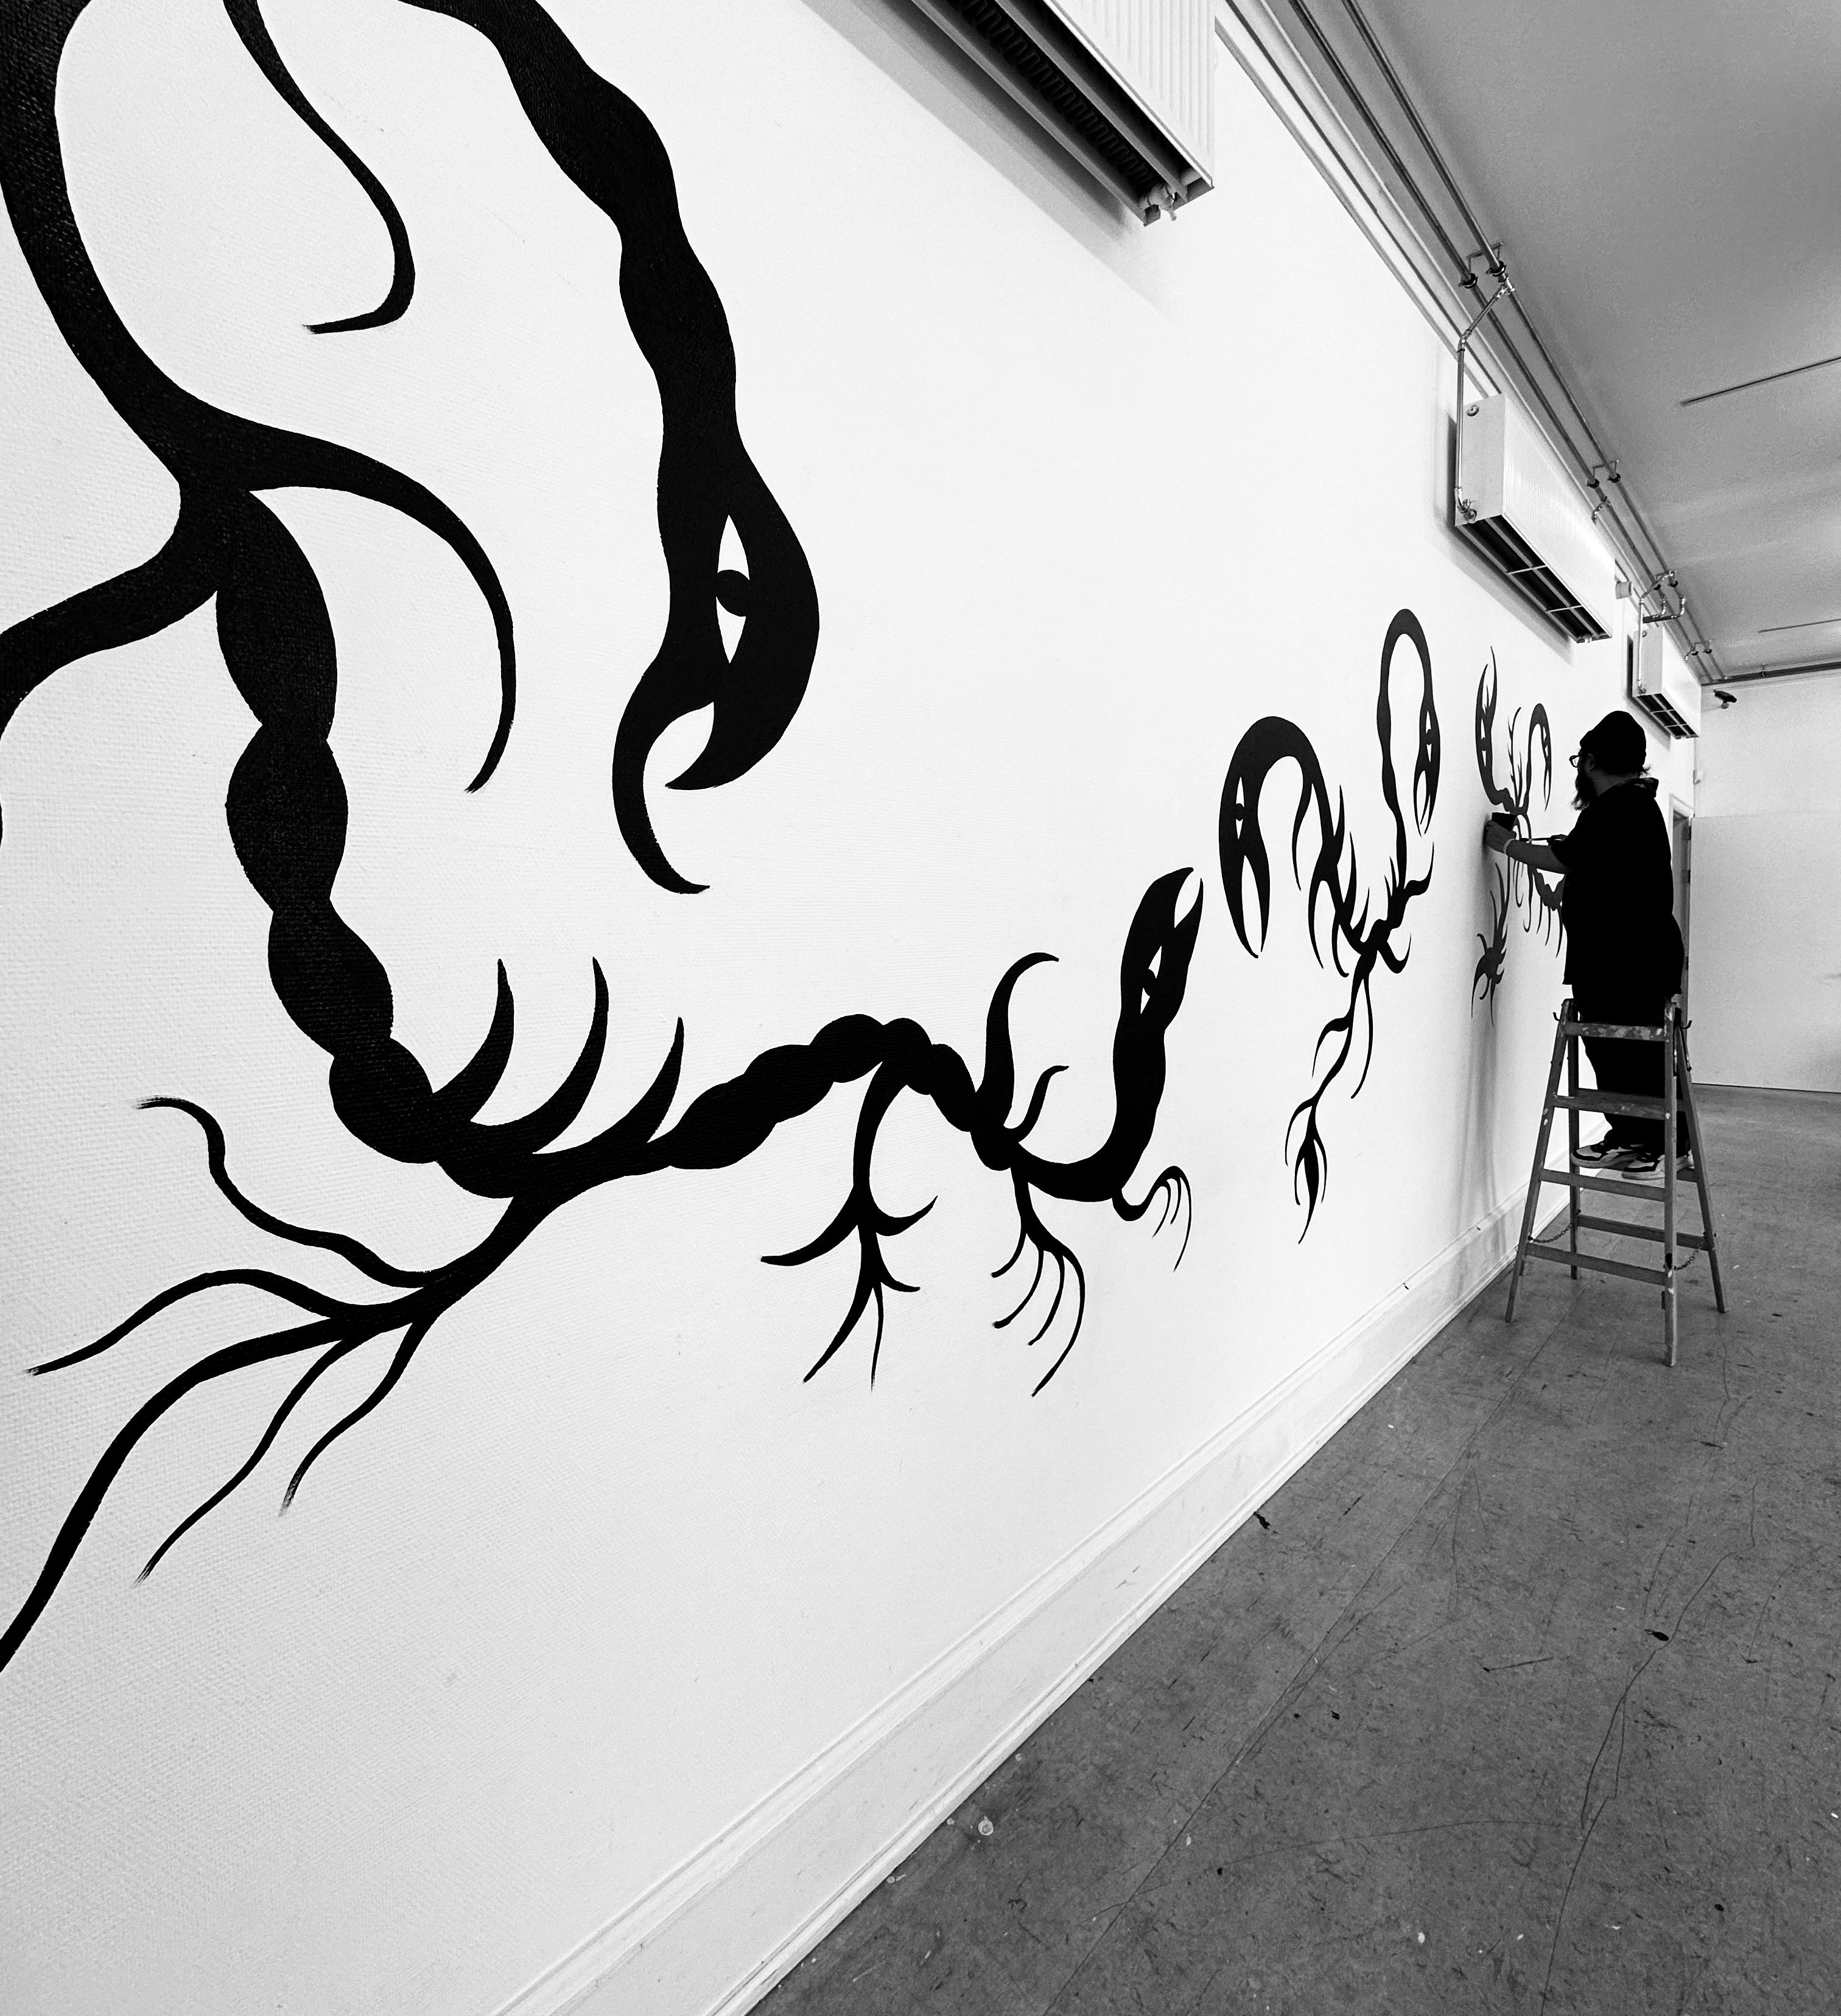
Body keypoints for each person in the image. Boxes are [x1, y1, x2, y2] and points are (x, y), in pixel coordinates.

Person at [1484, 709, 1686, 1174]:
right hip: (1620, 960)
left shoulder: (1619, 805)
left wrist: (1505, 845)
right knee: (1616, 1055)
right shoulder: (1634, 805)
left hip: (1628, 962)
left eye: (1580, 760)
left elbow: (1568, 858)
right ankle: (1634, 1136)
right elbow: (1596, 864)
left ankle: (1663, 1144)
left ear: (1591, 760)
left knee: (1633, 1056)